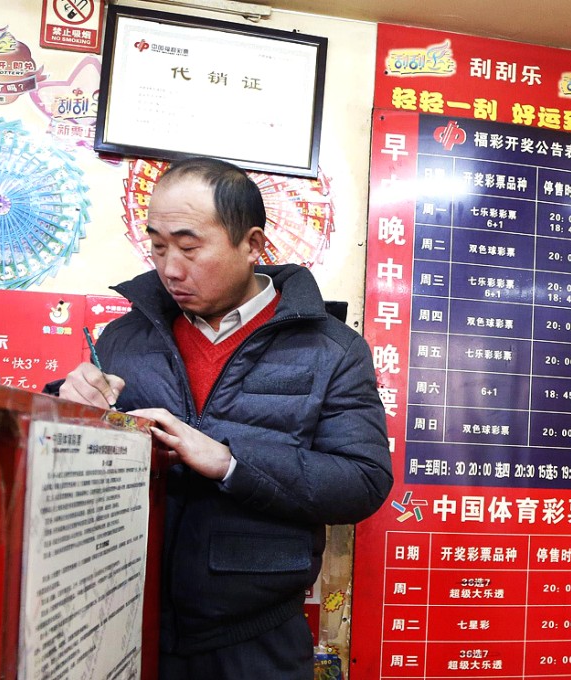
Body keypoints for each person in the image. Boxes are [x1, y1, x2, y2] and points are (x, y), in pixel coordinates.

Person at [48, 156, 392, 679]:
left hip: (256, 637)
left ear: (252, 245)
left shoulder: (332, 349)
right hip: (123, 619)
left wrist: (230, 460)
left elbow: (362, 482)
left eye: (189, 248)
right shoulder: (125, 336)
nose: (170, 269)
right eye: (158, 246)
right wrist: (69, 402)